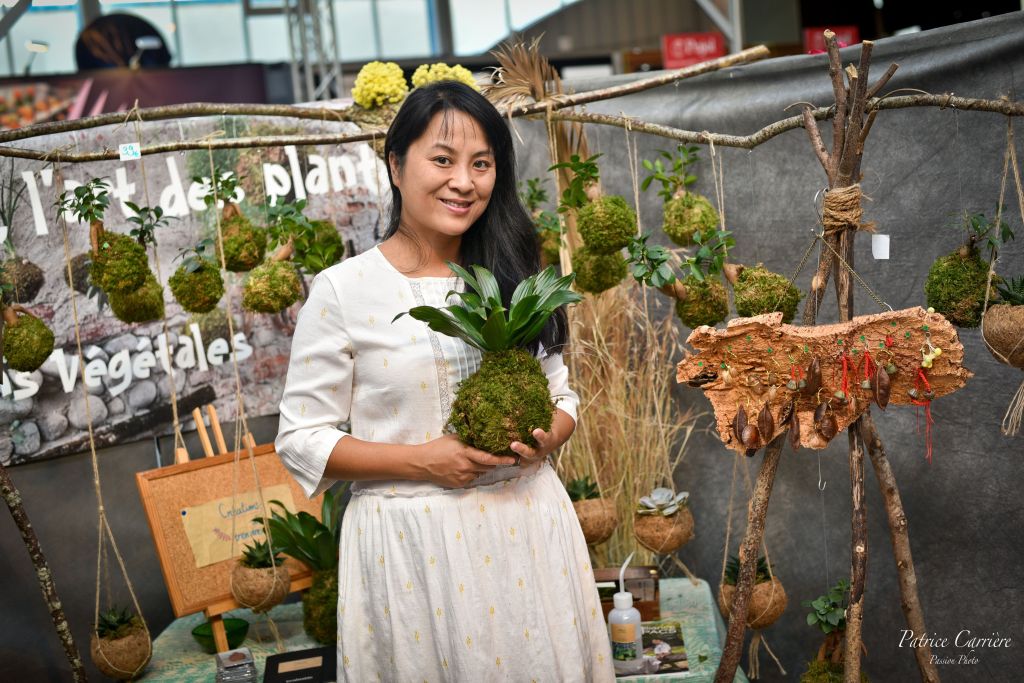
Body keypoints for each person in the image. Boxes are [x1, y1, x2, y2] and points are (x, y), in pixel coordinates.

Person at [276, 80, 614, 682]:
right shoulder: (344, 291)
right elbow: (301, 439)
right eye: (442, 159)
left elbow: (562, 394)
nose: (464, 181)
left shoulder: (512, 273)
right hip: (412, 549)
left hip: (528, 529)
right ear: (395, 165)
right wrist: (423, 461)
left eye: (481, 164)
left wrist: (548, 438)